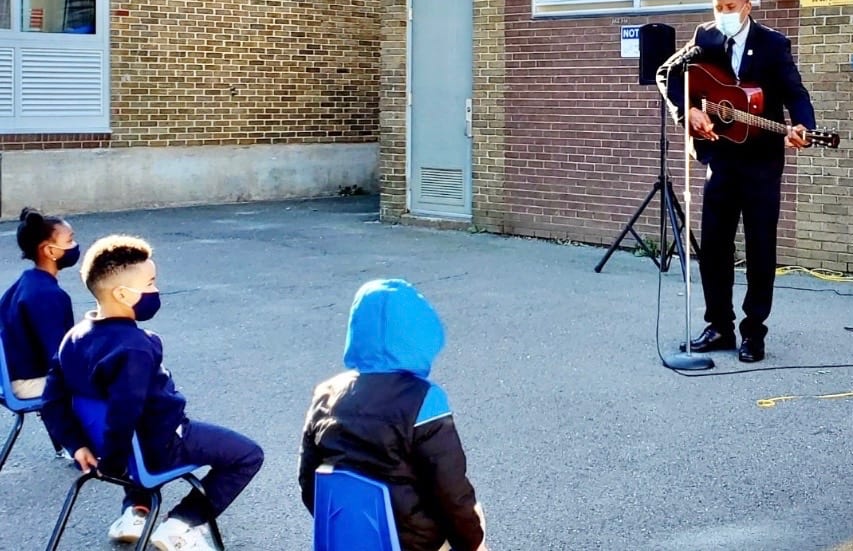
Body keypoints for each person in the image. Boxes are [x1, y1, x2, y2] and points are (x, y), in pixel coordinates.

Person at [41, 235, 264, 551]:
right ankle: (182, 524)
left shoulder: (72, 339)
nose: (155, 291)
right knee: (247, 455)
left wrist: (76, 445)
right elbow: (124, 412)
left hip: (110, 447)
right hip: (160, 445)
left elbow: (52, 400)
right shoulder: (136, 348)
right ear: (122, 293)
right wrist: (116, 466)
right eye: (150, 283)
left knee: (133, 436)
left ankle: (136, 511)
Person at [656, 0, 816, 363]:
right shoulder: (705, 37)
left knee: (760, 248)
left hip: (761, 163)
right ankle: (720, 326)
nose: (723, 14)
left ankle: (754, 332)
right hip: (721, 160)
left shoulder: (774, 44)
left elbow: (796, 92)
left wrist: (802, 125)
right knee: (714, 248)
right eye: (718, 7)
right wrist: (688, 110)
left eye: (730, 7)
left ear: (747, 7)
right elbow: (667, 74)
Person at [298, 278, 488, 551]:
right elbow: (451, 492)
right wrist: (473, 542)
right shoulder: (424, 399)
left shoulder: (325, 395)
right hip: (412, 543)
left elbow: (309, 482)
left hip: (346, 538)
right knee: (475, 524)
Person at [0, 208, 77, 400]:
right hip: (28, 382)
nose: (74, 246)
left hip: (11, 377)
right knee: (116, 384)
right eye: (69, 241)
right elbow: (59, 354)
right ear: (49, 250)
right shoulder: (48, 295)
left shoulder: (26, 282)